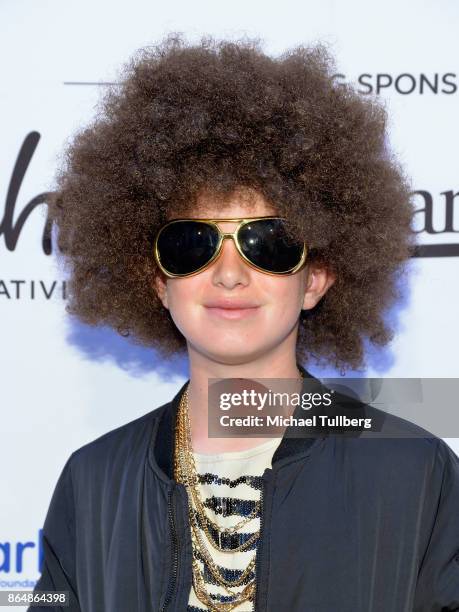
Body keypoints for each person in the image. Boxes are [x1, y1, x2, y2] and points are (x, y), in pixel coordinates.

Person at [30, 34, 459, 611]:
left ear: (317, 277)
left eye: (268, 243)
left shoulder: (416, 471)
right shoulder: (93, 482)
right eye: (192, 243)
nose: (229, 274)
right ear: (158, 280)